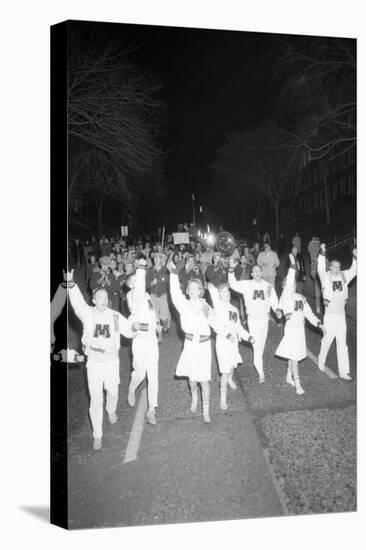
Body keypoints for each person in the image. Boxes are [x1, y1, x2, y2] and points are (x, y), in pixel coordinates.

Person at [65, 270, 137, 450]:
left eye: (106, 297)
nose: (104, 300)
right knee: (96, 399)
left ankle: (111, 410)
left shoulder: (114, 315)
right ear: (94, 300)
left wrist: (134, 327)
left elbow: (128, 330)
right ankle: (97, 433)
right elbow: (77, 303)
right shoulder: (87, 314)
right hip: (94, 363)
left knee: (113, 392)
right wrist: (71, 284)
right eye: (100, 297)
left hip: (111, 361)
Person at [167, 260, 219, 423]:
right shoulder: (183, 304)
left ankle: (206, 410)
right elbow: (175, 292)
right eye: (191, 289)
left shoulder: (205, 306)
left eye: (197, 288)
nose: (193, 291)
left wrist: (229, 333)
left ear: (201, 291)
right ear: (188, 291)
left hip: (203, 345)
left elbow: (215, 323)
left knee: (204, 378)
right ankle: (194, 397)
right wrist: (174, 274)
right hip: (190, 345)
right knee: (192, 378)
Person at [276, 252, 325, 395]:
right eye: (286, 284)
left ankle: (288, 376)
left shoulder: (300, 298)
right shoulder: (285, 296)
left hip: (300, 330)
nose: (290, 285)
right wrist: (292, 267)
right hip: (291, 330)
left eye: (289, 283)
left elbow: (309, 313)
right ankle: (298, 384)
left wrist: (319, 324)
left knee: (293, 355)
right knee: (295, 357)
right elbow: (290, 281)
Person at [228, 258, 282, 383]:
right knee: (257, 345)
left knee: (260, 347)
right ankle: (261, 372)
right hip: (253, 320)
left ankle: (258, 363)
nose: (257, 273)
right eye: (254, 271)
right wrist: (231, 270)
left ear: (262, 273)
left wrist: (278, 310)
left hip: (264, 320)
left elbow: (273, 300)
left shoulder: (268, 286)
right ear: (251, 274)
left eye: (259, 271)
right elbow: (233, 284)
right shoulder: (247, 284)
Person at [208, 283, 255, 410]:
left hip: (234, 343)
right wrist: (213, 287)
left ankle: (230, 379)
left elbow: (239, 327)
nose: (226, 293)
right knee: (225, 371)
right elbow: (212, 290)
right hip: (223, 342)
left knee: (233, 365)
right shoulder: (218, 306)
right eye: (223, 291)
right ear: (219, 295)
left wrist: (248, 336)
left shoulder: (234, 309)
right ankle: (223, 399)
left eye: (227, 290)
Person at [126, 258, 160, 425]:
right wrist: (140, 267)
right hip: (140, 339)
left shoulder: (146, 295)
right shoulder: (132, 294)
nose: (140, 280)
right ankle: (132, 387)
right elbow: (139, 288)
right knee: (140, 373)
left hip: (151, 338)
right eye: (136, 279)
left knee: (153, 373)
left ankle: (152, 409)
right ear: (131, 284)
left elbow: (151, 314)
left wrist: (158, 324)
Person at [317, 243, 357, 380]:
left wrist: (356, 257)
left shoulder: (343, 275)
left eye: (338, 267)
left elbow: (354, 270)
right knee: (327, 340)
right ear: (330, 267)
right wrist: (322, 252)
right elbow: (319, 268)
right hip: (329, 315)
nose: (336, 269)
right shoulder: (325, 276)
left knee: (342, 343)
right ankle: (321, 361)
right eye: (334, 266)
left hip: (341, 315)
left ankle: (344, 371)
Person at [146, 253, 171, 341]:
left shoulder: (166, 270)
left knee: (164, 317)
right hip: (153, 296)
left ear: (161, 259)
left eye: (158, 258)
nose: (156, 260)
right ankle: (158, 335)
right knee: (155, 317)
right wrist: (152, 283)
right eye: (155, 259)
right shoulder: (149, 271)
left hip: (163, 296)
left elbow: (170, 284)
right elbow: (146, 285)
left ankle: (165, 328)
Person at [307, 235, 322, 313]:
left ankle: (318, 307)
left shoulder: (311, 245)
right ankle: (320, 306)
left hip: (316, 267)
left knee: (317, 288)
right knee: (320, 288)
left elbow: (308, 249)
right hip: (318, 267)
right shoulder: (319, 246)